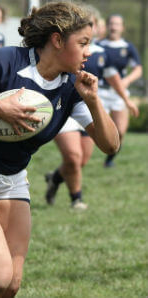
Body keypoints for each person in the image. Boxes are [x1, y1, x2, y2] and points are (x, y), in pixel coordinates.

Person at [0, 2, 120, 297]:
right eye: (83, 43)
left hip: (12, 178)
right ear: (57, 40)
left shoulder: (72, 86)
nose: (88, 52)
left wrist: (93, 100)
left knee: (10, 285)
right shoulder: (6, 61)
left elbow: (111, 145)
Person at [44, 5, 139, 209]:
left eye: (94, 25)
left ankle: (55, 178)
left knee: (81, 161)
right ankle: (76, 199)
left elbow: (114, 79)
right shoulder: (63, 49)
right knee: (73, 156)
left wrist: (127, 100)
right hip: (64, 107)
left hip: (85, 106)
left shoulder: (102, 53)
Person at [97, 14, 143, 167]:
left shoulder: (127, 47)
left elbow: (138, 69)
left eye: (117, 24)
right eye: (111, 23)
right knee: (96, 129)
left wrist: (127, 80)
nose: (114, 27)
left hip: (119, 94)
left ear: (122, 28)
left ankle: (109, 160)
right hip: (101, 92)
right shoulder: (99, 45)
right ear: (107, 26)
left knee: (121, 132)